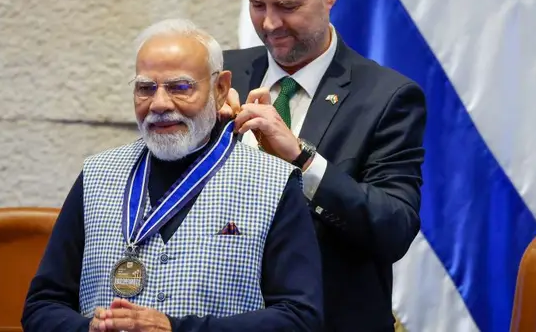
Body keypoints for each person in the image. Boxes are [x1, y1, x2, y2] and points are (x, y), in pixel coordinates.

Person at [22, 19, 323, 332]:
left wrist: (176, 329)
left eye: (180, 87)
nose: (160, 104)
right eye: (145, 88)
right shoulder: (97, 175)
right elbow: (42, 305)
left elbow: (300, 317)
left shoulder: (273, 182)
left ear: (220, 89)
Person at [221, 0, 427, 332]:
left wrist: (303, 159)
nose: (270, 24)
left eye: (287, 6)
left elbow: (394, 228)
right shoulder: (221, 75)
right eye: (257, 4)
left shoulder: (388, 97)